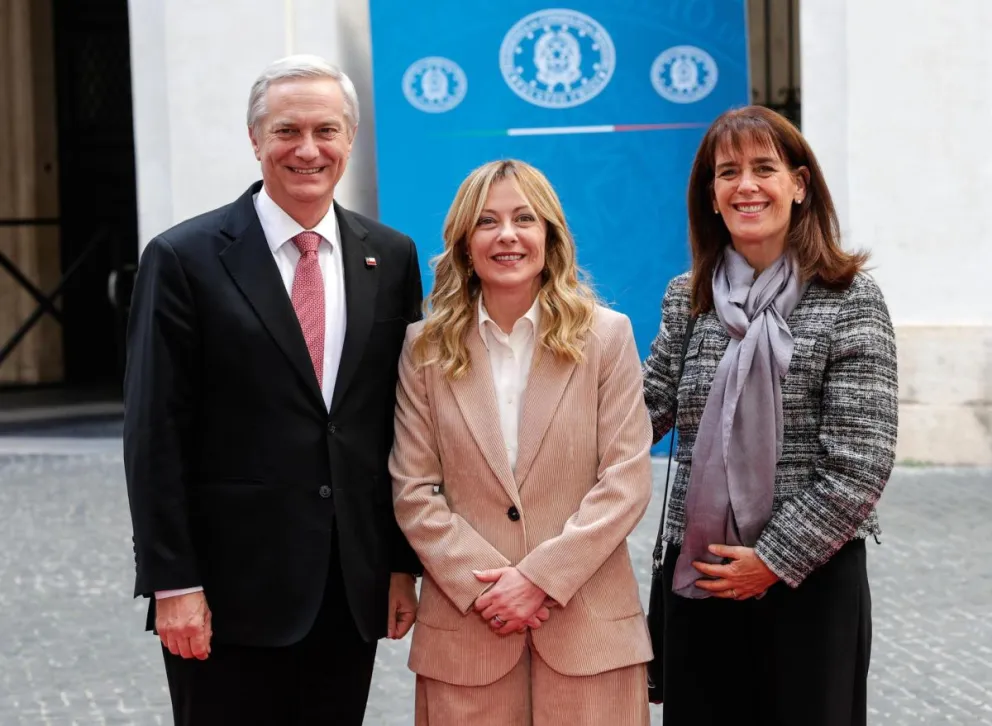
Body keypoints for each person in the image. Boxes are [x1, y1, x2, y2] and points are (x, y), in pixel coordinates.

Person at [123, 55, 422, 725]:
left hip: (349, 589)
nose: (308, 149)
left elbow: (399, 425)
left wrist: (400, 565)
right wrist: (174, 583)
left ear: (350, 140)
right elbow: (154, 434)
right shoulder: (183, 259)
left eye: (326, 130)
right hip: (228, 594)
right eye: (287, 130)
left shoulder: (392, 256)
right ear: (255, 139)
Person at [642, 105, 898, 725]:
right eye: (728, 172)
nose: (746, 186)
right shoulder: (690, 296)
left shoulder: (848, 296)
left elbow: (860, 463)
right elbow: (644, 412)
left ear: (799, 185)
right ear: (711, 195)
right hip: (701, 571)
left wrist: (772, 561)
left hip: (808, 582)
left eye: (764, 168)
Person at [389, 159, 654, 725]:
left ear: (549, 236)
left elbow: (626, 480)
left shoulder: (608, 337)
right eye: (486, 222)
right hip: (467, 635)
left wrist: (538, 580)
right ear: (464, 244)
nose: (506, 235)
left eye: (523, 219)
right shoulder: (424, 350)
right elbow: (413, 491)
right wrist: (488, 588)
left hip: (591, 637)